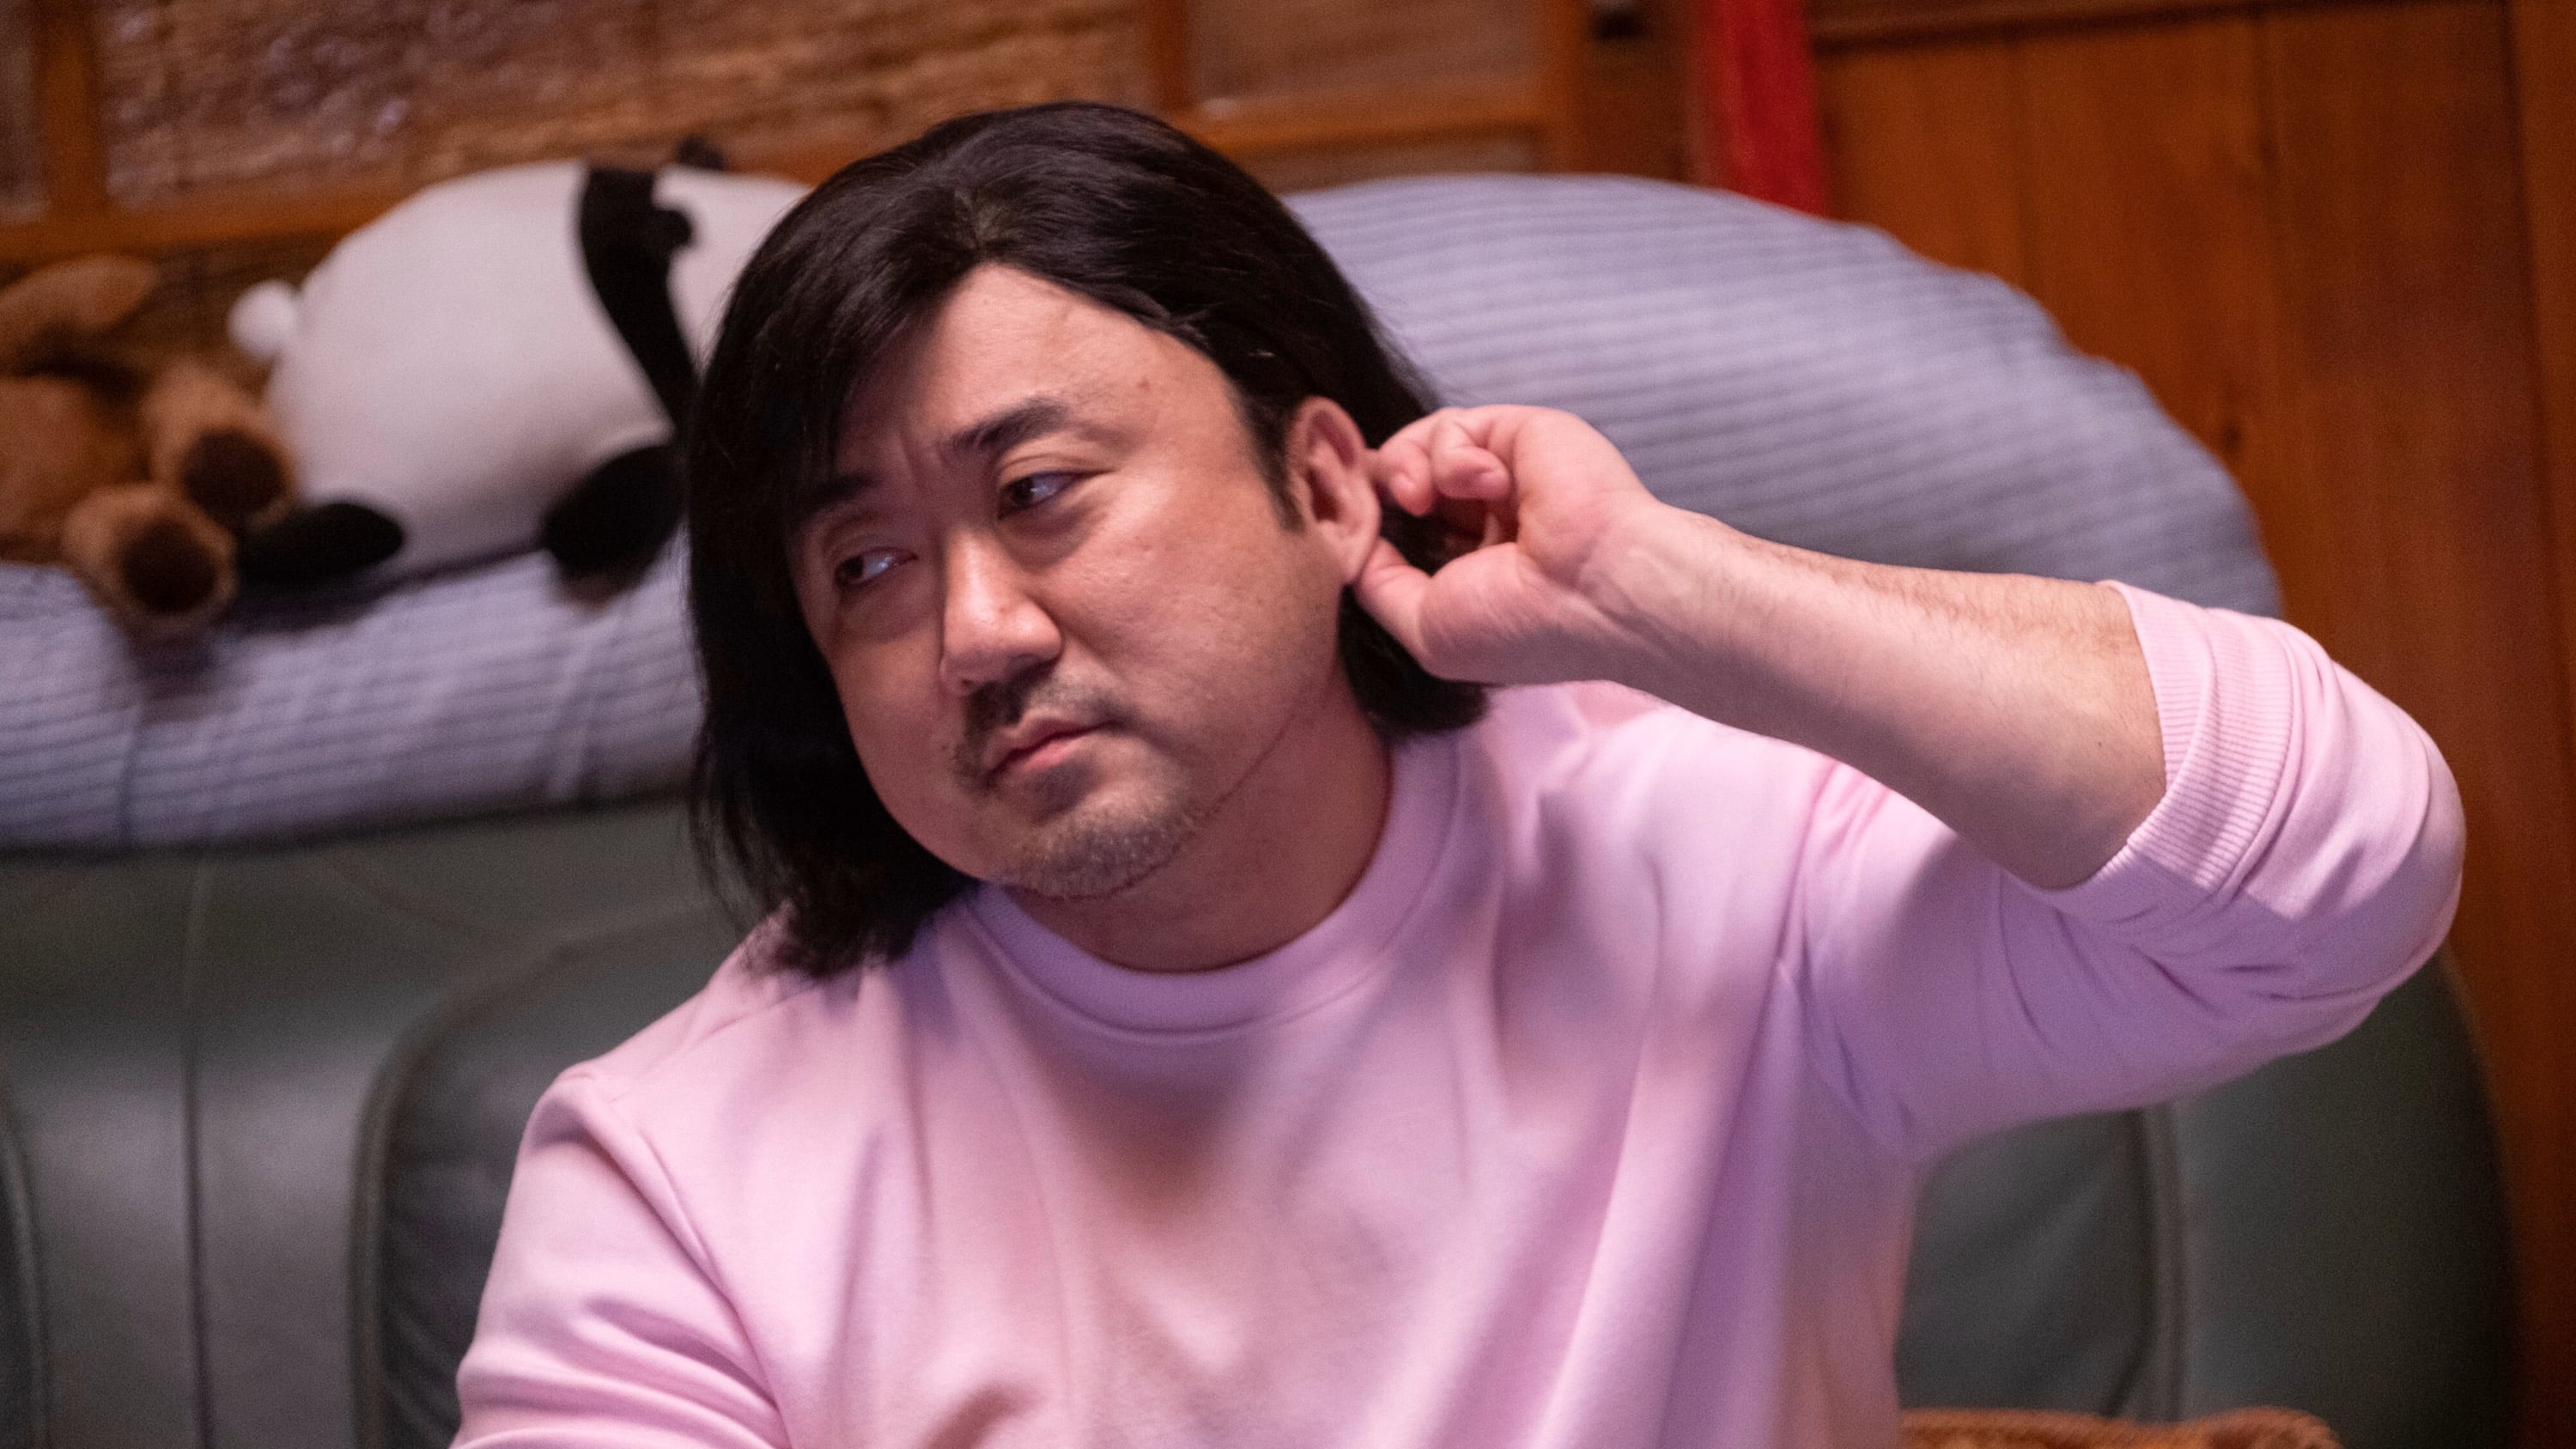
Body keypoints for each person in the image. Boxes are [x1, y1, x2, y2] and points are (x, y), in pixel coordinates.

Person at [452, 102, 2462, 1448]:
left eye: (1042, 490)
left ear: (1327, 483)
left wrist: (1677, 593)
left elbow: (2345, 877)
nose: (973, 625)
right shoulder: (681, 1172)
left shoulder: (1709, 868)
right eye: (868, 569)